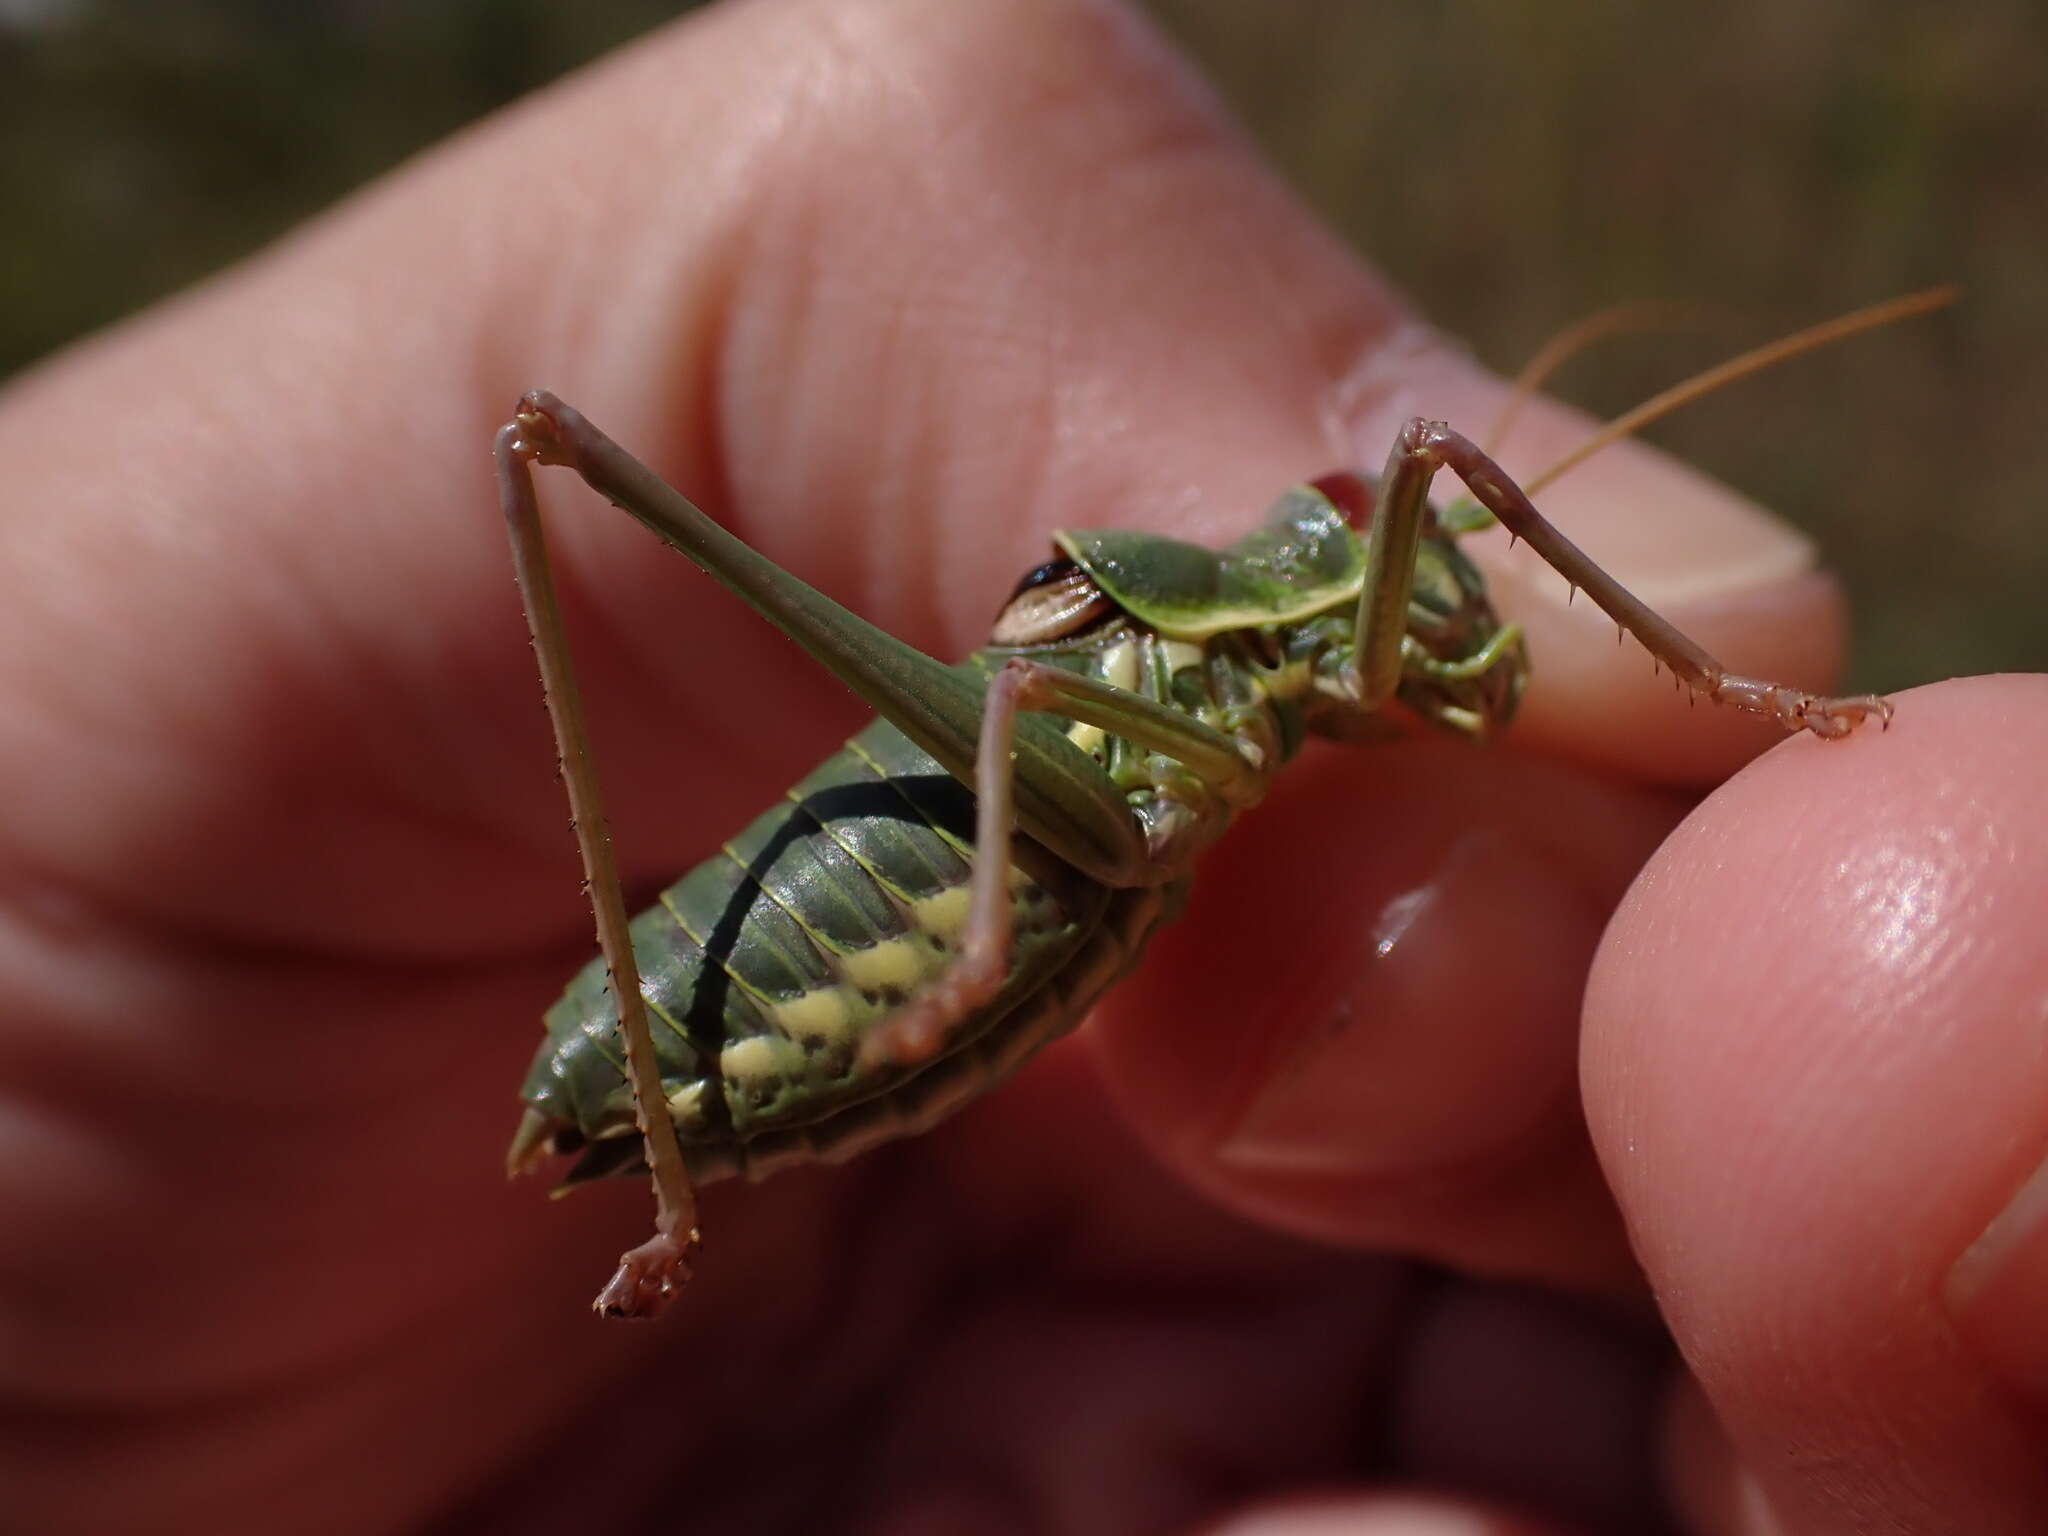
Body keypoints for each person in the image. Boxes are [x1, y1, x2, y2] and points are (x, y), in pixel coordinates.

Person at [1, 1, 2040, 1530]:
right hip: (892, 917)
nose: (1443, 605)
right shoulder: (1229, 629)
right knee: (806, 550)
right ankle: (737, 1055)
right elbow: (1011, 704)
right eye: (1405, 583)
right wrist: (1754, 701)